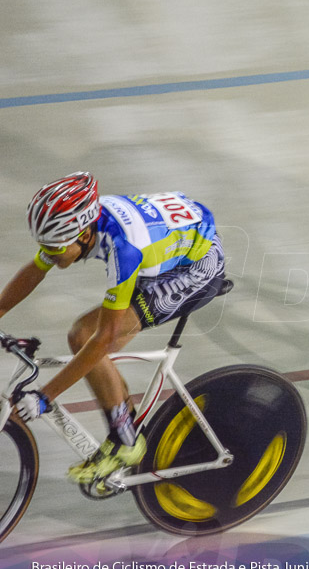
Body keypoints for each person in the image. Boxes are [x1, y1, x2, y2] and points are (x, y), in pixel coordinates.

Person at [1, 172, 225, 483]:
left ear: (82, 234)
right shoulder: (80, 225)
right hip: (171, 246)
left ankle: (125, 441)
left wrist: (44, 396)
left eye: (54, 247)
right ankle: (125, 423)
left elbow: (102, 339)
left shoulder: (124, 249)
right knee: (92, 350)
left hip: (196, 269)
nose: (48, 253)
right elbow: (35, 271)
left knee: (85, 337)